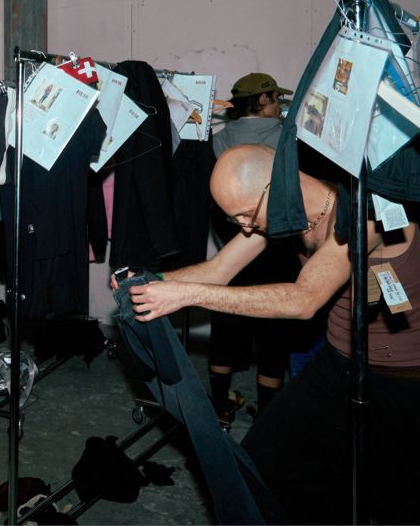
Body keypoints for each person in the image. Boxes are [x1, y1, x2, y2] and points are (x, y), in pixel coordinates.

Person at [120, 144, 420, 524]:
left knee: (395, 500)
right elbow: (218, 270)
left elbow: (304, 299)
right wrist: (151, 283)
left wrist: (183, 296)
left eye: (246, 214)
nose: (245, 227)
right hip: (338, 363)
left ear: (276, 186)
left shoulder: (366, 211)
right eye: (236, 220)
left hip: (403, 380)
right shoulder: (282, 214)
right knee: (262, 466)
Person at [207, 72, 302, 420]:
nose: (279, 106)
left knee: (226, 327)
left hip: (232, 248)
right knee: (273, 336)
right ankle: (267, 414)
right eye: (277, 99)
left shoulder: (218, 140)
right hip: (277, 250)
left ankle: (218, 406)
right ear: (263, 100)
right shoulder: (286, 139)